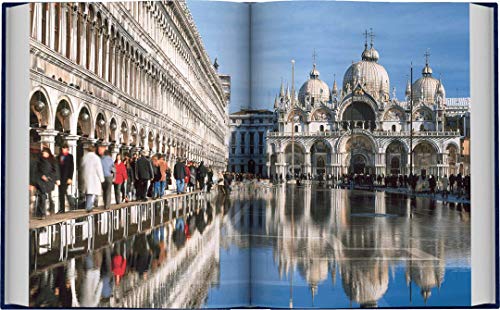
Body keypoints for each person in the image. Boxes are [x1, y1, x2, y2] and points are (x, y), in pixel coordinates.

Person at [33, 147, 59, 219]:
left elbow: (55, 170)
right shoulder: (39, 160)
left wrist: (53, 178)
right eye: (43, 153)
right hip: (41, 182)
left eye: (45, 152)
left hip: (49, 181)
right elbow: (36, 170)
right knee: (42, 196)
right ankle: (42, 213)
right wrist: (41, 176)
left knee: (50, 197)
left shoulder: (52, 160)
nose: (44, 154)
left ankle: (51, 209)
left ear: (48, 153)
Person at [81, 145, 105, 212]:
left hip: (86, 177)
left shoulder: (85, 157)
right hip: (94, 178)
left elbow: (82, 167)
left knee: (88, 193)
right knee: (92, 193)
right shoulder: (96, 158)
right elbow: (99, 169)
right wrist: (102, 178)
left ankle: (89, 206)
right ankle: (89, 206)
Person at [57, 144, 74, 213]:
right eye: (63, 148)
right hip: (60, 177)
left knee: (63, 192)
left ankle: (64, 208)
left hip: (66, 177)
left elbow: (71, 168)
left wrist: (70, 177)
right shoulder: (58, 157)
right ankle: (66, 207)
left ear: (67, 149)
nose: (64, 150)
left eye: (65, 149)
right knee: (62, 192)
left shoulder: (70, 157)